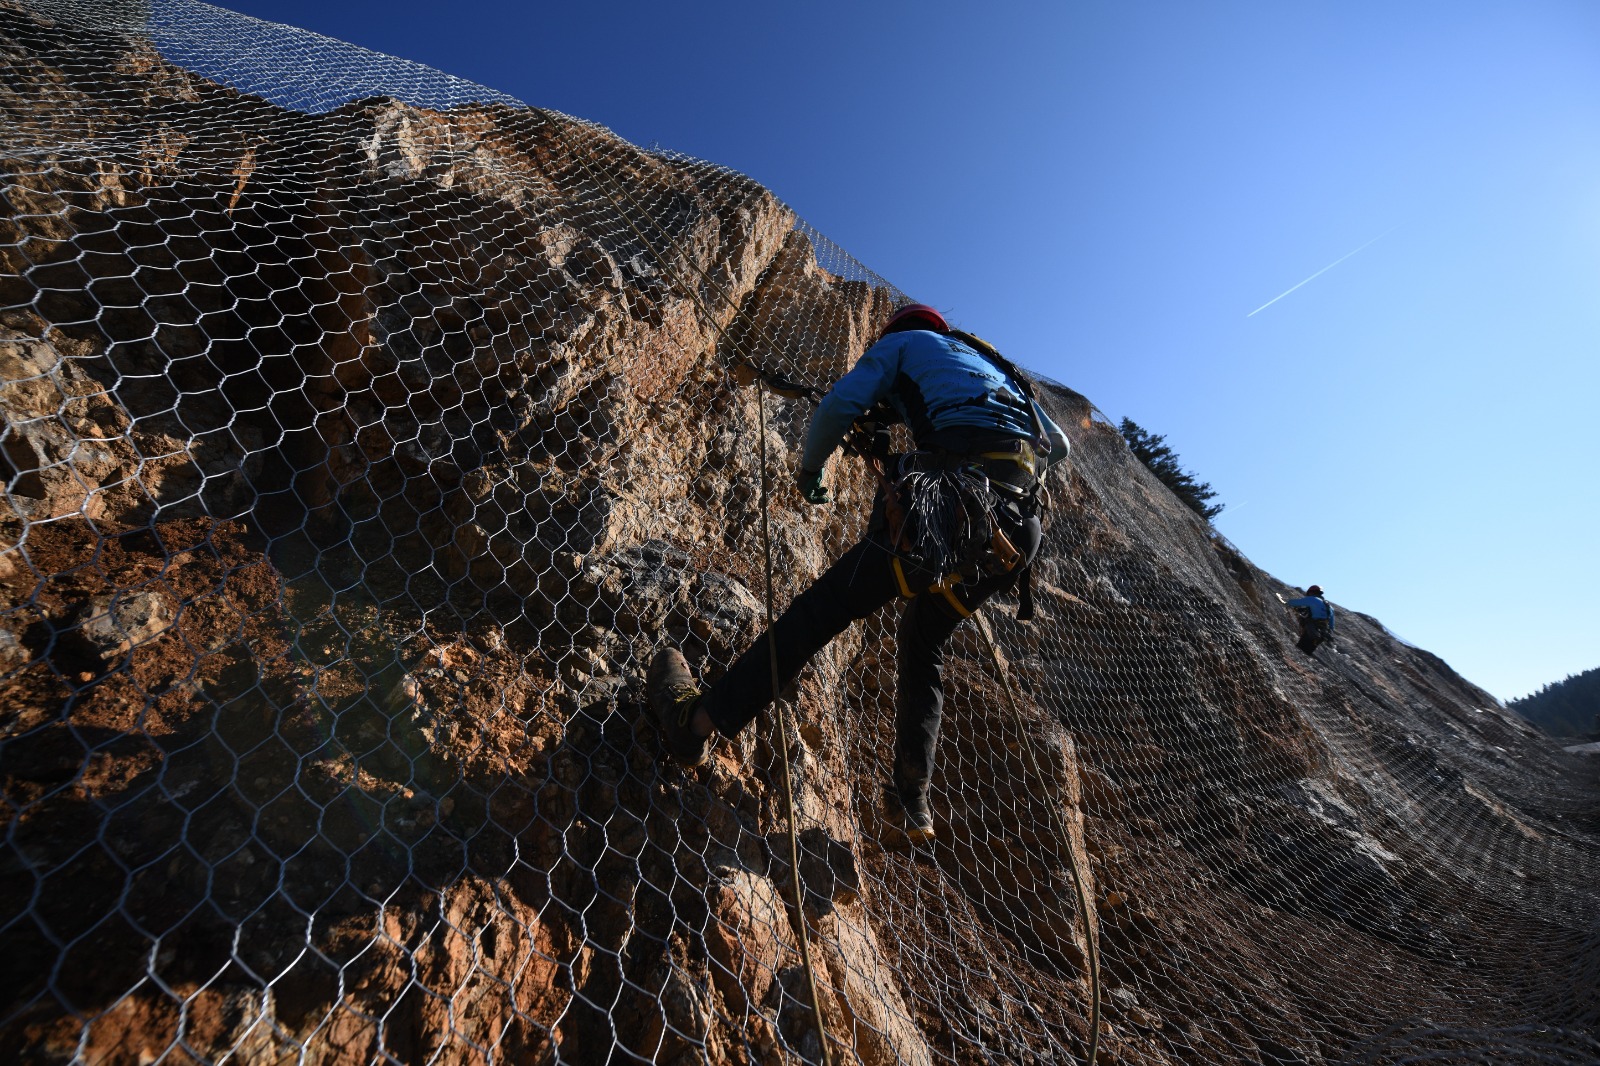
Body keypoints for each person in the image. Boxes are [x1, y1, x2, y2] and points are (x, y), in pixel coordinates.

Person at [647, 303, 1071, 844]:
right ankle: (912, 803)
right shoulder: (994, 367)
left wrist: (810, 469)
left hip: (950, 508)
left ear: (895, 332)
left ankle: (694, 725)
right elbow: (1058, 447)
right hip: (1015, 533)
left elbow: (839, 404)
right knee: (924, 642)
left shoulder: (903, 344)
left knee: (822, 611)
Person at [1286, 585, 1335, 656]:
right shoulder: (1330, 607)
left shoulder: (1312, 599)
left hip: (1311, 630)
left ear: (1311, 592)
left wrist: (1286, 602)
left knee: (1300, 649)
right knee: (1307, 652)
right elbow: (1331, 626)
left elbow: (1292, 603)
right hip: (1321, 634)